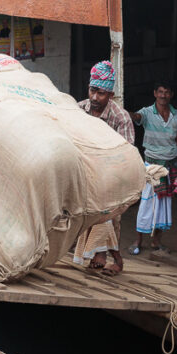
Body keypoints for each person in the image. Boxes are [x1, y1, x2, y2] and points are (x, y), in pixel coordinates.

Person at [74, 60, 135, 275]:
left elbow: (126, 156)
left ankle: (112, 258)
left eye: (101, 93)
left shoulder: (121, 118)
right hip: (83, 174)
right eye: (92, 91)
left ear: (110, 95)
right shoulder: (79, 109)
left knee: (108, 217)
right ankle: (95, 253)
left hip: (110, 177)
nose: (94, 98)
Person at [130, 81, 177, 254]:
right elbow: (136, 117)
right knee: (146, 204)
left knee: (164, 205)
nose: (163, 95)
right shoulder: (146, 112)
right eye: (160, 92)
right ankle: (137, 241)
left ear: (171, 95)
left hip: (171, 164)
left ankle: (156, 242)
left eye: (166, 92)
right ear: (155, 93)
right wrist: (121, 111)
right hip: (152, 165)